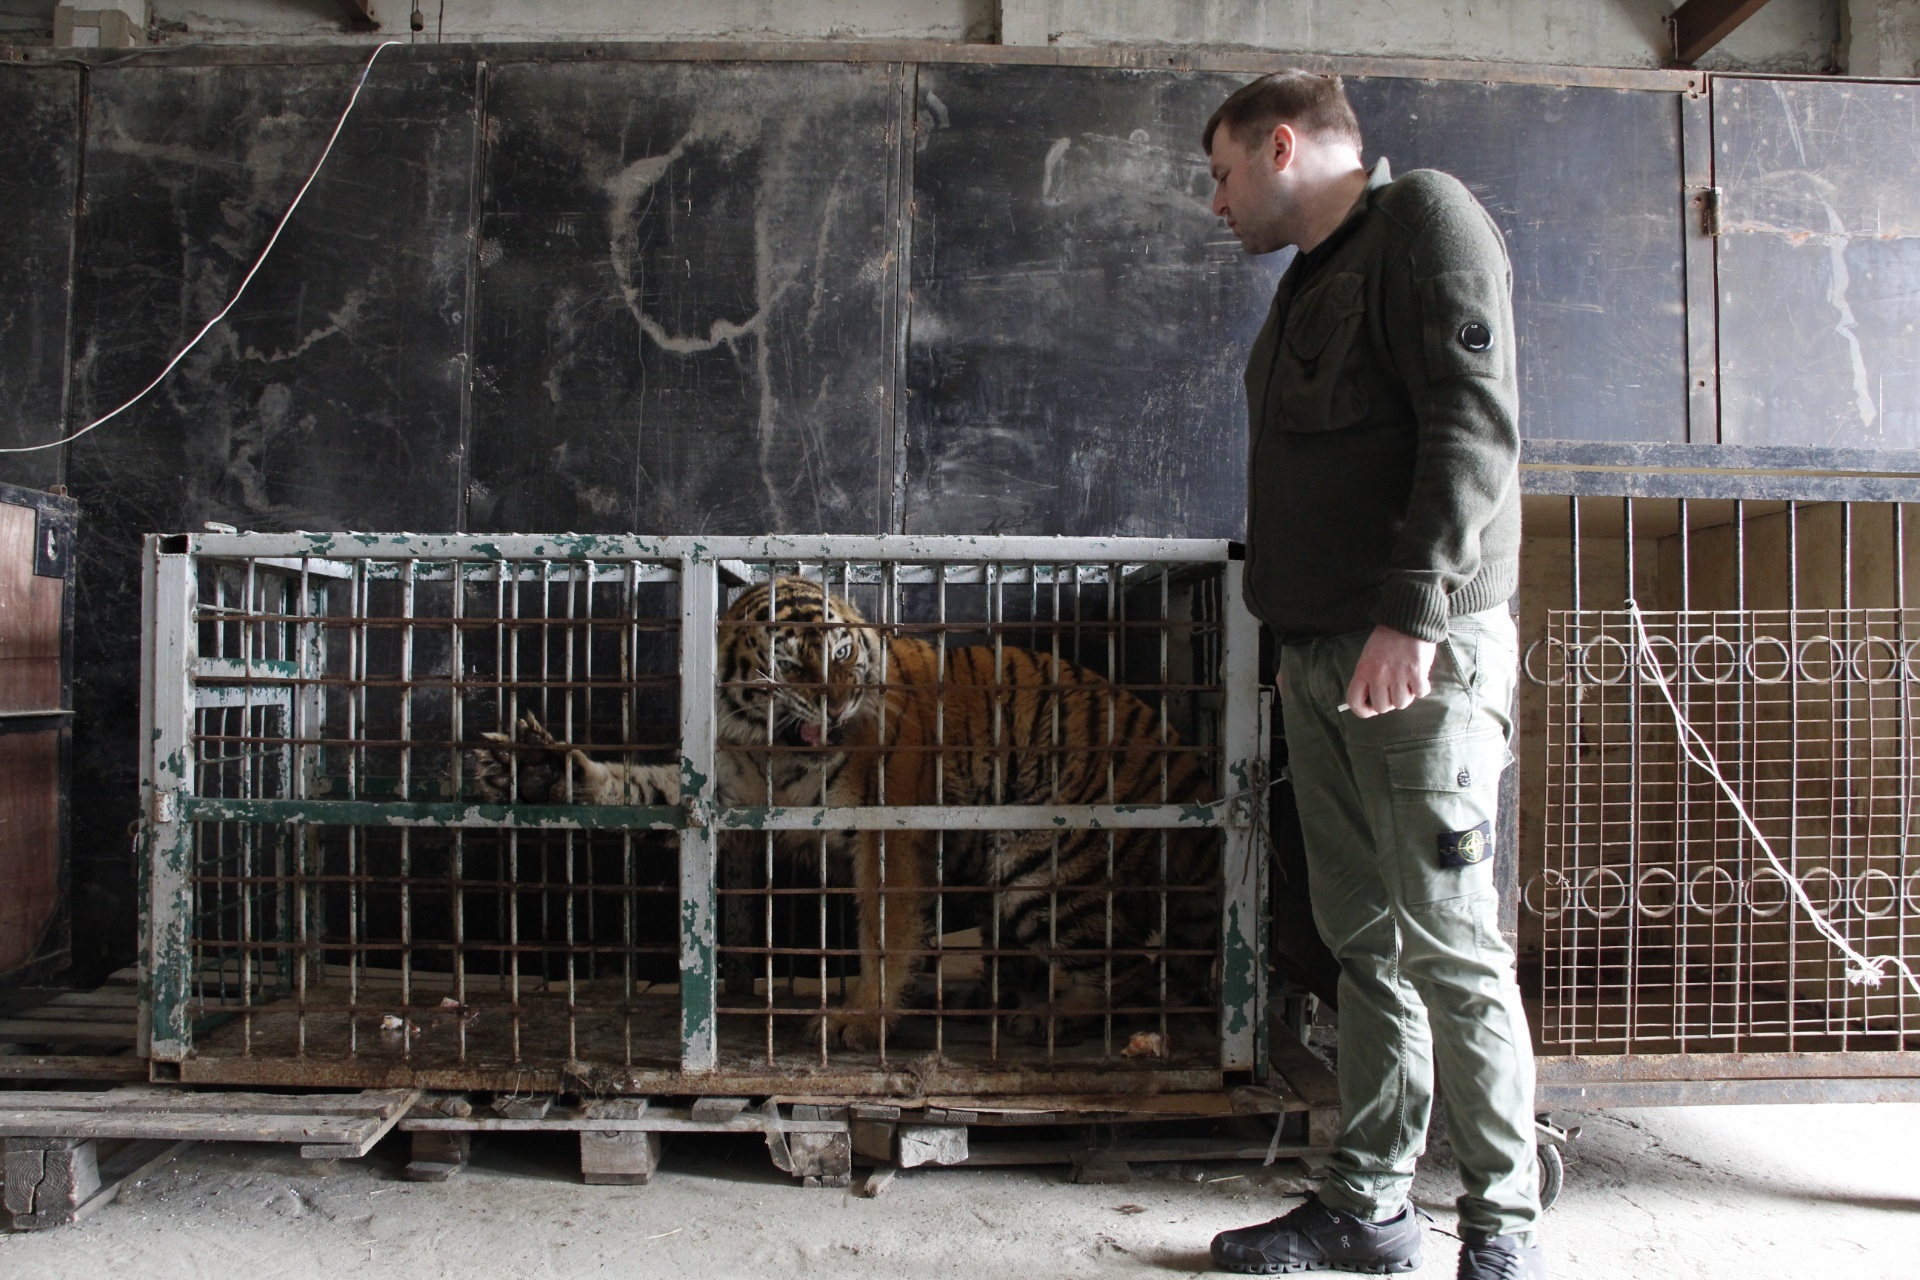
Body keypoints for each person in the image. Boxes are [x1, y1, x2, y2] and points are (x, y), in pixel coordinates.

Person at [1201, 73, 1542, 1279]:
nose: (1218, 202)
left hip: (1418, 648)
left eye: (1224, 172)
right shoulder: (1311, 278)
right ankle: (1368, 1203)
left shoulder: (1426, 222)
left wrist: (1414, 610)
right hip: (1323, 654)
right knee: (1365, 942)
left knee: (1451, 938)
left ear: (1281, 143)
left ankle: (1503, 1226)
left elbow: (1474, 424)